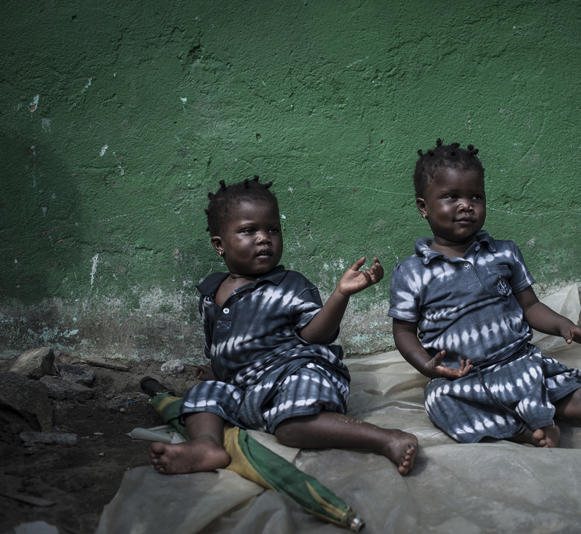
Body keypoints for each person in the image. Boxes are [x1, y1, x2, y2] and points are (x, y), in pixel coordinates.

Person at [389, 139, 581, 453]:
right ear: (423, 207)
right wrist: (426, 366)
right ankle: (528, 432)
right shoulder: (411, 272)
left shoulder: (504, 253)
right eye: (451, 197)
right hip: (463, 378)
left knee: (577, 397)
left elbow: (531, 306)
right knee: (440, 401)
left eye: (476, 196)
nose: (466, 205)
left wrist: (565, 326)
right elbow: (403, 332)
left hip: (519, 362)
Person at [150, 177, 417, 475]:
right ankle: (206, 445)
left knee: (290, 428)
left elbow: (317, 335)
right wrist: (220, 370)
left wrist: (340, 295)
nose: (264, 238)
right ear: (219, 245)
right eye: (249, 231)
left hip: (296, 373)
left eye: (272, 230)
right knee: (202, 397)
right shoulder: (211, 293)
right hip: (247, 389)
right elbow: (220, 344)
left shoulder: (291, 286)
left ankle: (386, 438)